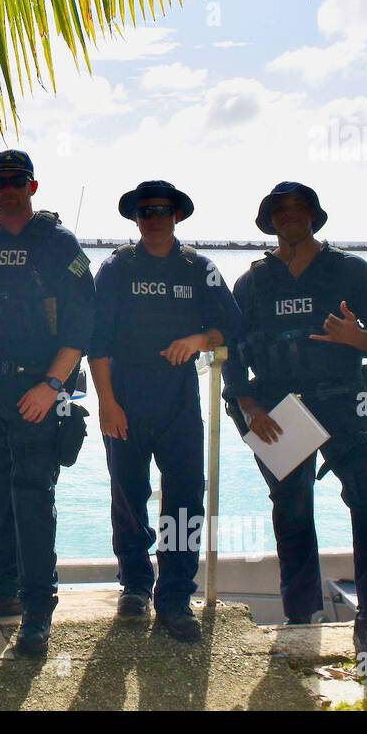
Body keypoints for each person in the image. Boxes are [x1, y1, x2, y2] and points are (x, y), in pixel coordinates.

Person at [223, 182, 367, 675]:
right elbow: (233, 355)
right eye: (281, 210)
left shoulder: (349, 270)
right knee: (292, 509)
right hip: (278, 411)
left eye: (300, 208)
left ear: (315, 216)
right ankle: (301, 613)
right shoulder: (251, 283)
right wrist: (246, 404)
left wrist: (362, 338)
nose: (291, 216)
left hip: (342, 401)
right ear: (270, 219)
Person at [0, 149, 95, 657]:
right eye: (0, 181)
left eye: (17, 180)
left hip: (38, 389)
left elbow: (82, 326)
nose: (8, 188)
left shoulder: (58, 244)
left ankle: (36, 611)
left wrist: (52, 385)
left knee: (33, 499)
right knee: (0, 498)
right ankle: (3, 590)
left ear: (33, 186)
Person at [89, 181, 242, 642]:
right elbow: (95, 342)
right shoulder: (116, 268)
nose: (154, 218)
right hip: (124, 396)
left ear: (177, 216)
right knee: (129, 496)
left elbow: (232, 324)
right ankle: (135, 586)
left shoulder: (199, 268)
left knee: (183, 501)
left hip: (177, 401)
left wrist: (199, 340)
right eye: (145, 211)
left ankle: (175, 595)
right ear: (136, 218)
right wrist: (106, 402)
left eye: (162, 210)